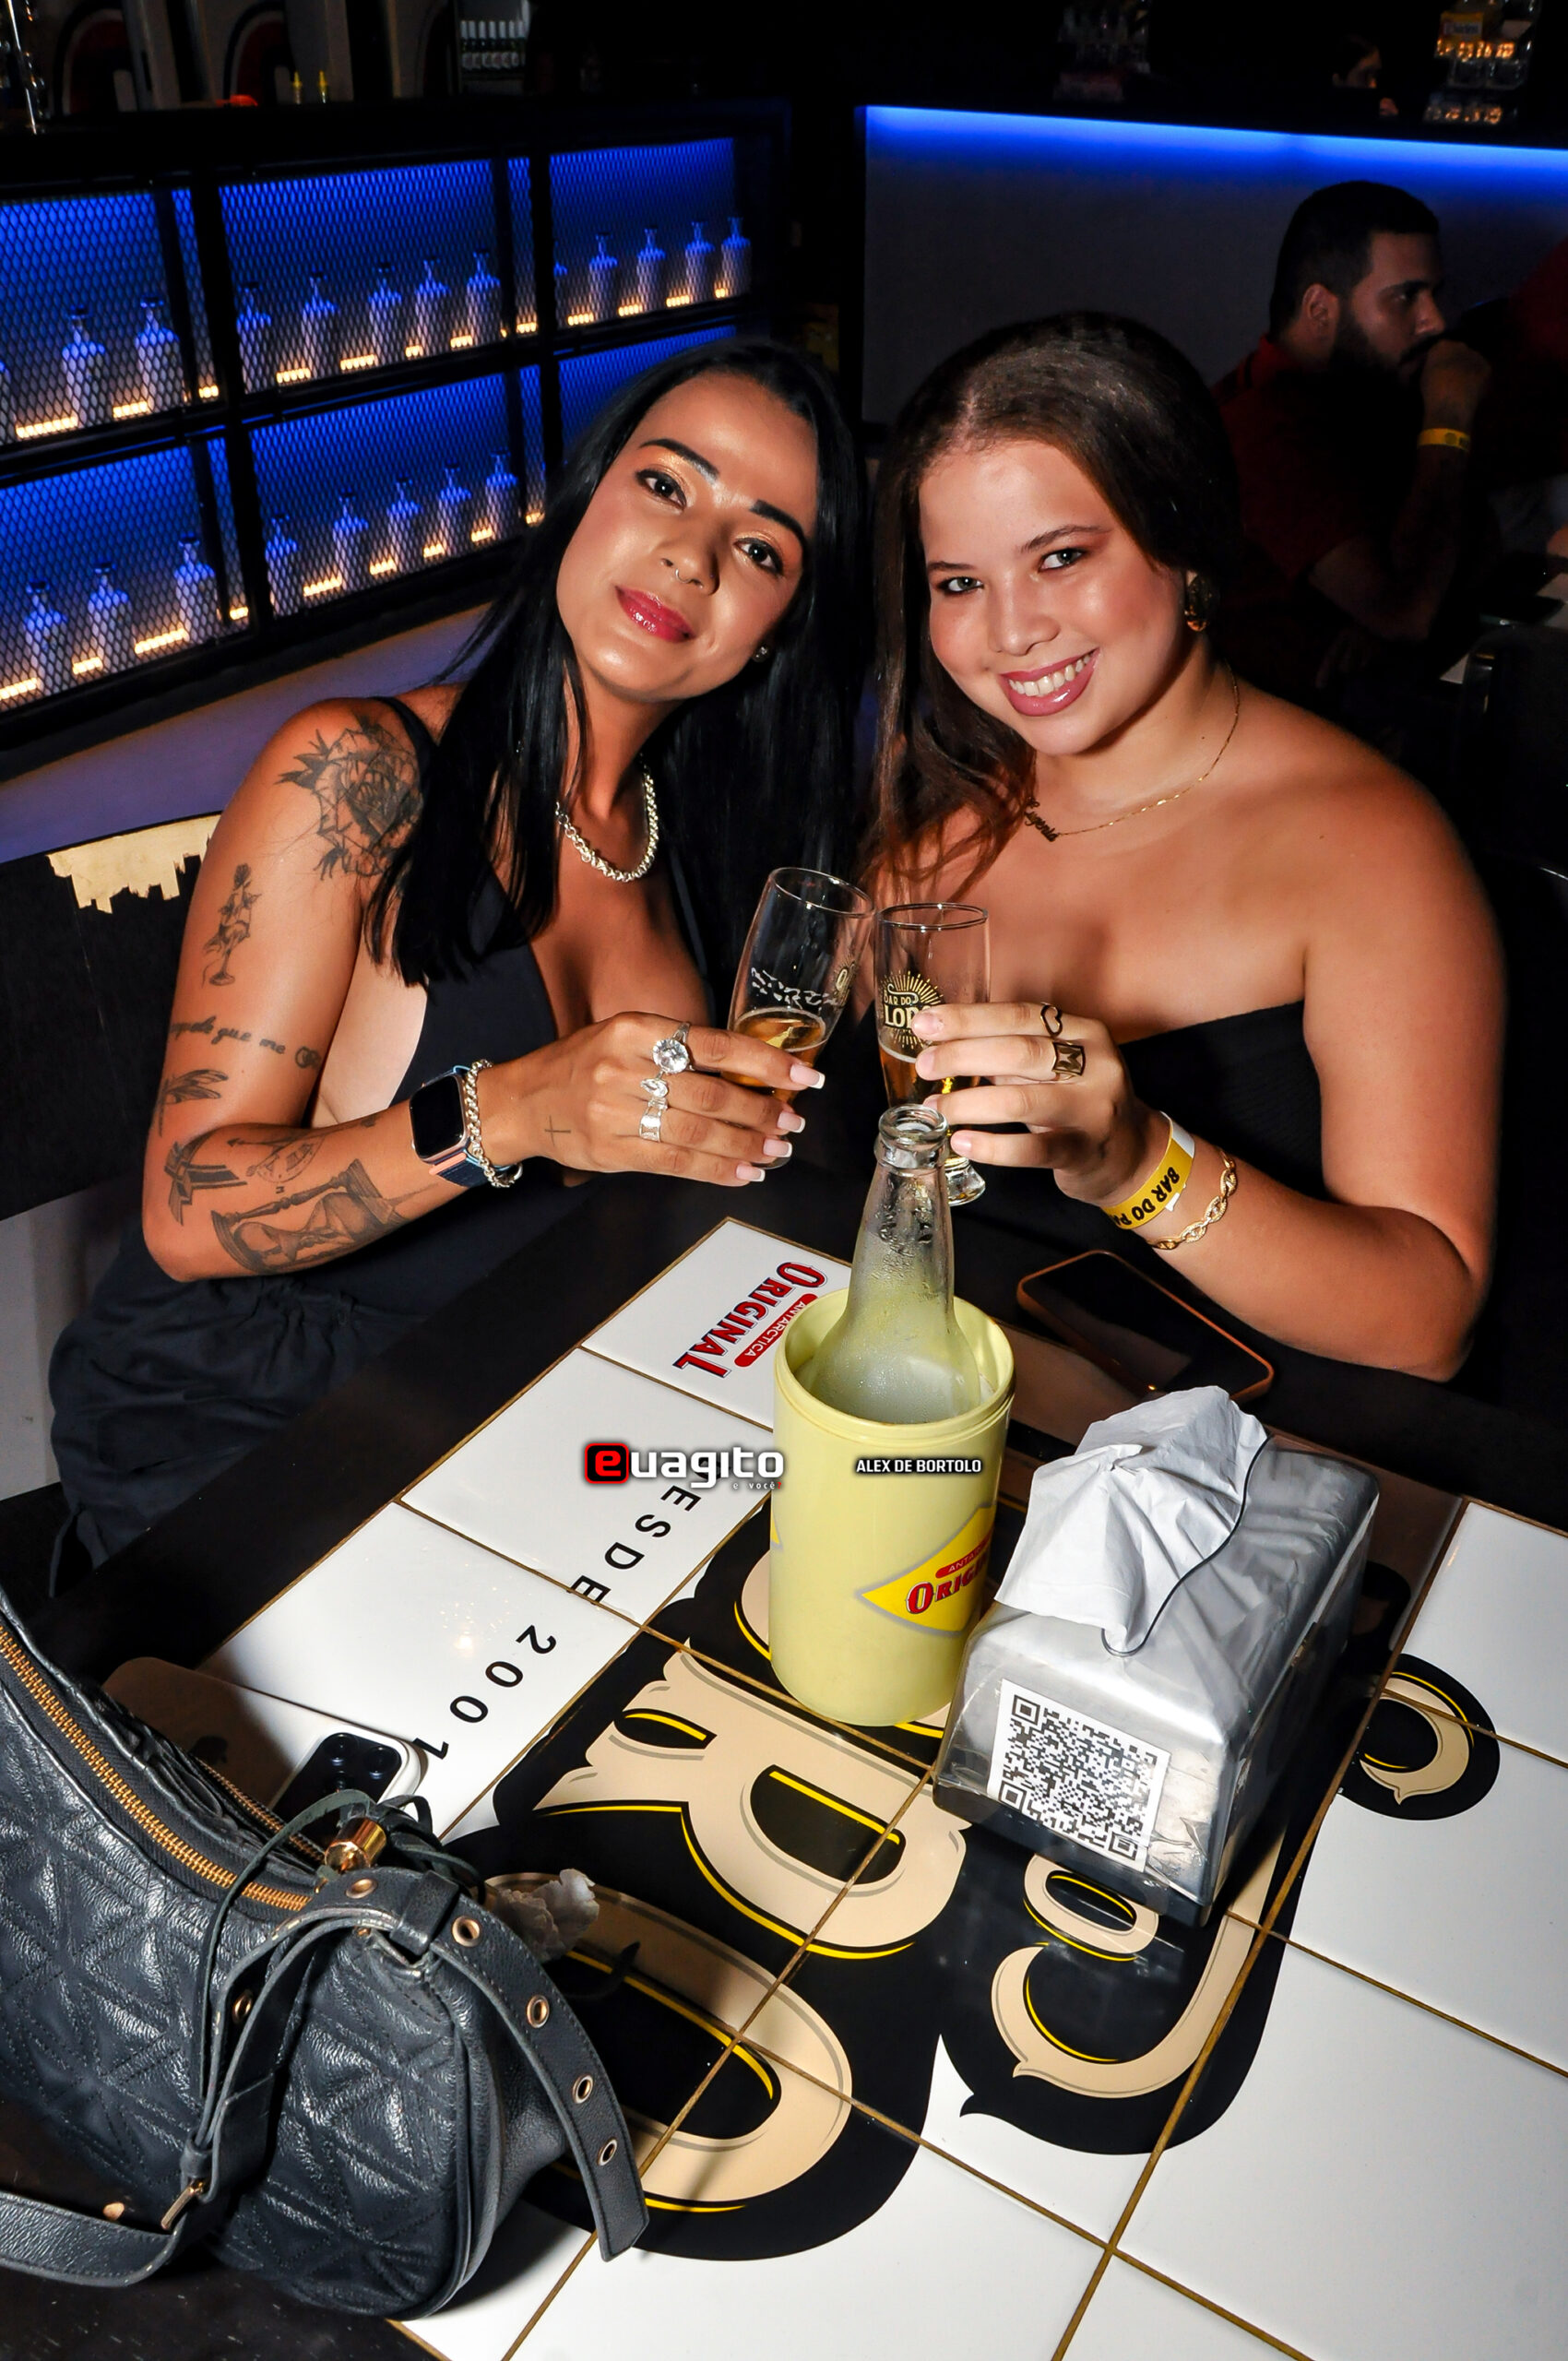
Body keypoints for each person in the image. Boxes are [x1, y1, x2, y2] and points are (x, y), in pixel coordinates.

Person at [51, 338, 866, 1565]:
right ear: (583, 496)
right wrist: (516, 1108)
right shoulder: (359, 776)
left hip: (512, 1401)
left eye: (761, 550)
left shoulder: (709, 853)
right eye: (664, 484)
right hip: (253, 1420)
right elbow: (186, 1213)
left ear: (777, 627)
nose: (691, 557)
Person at [862, 312, 1502, 1379]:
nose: (1010, 631)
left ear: (1187, 546)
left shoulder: (1369, 845)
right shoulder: (924, 849)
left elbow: (1428, 1319)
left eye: (1060, 557)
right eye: (958, 582)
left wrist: (1135, 1162)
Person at [1212, 181, 1491, 702]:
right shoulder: (1264, 427)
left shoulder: (1373, 387)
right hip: (1283, 716)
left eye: (1435, 294)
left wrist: (1379, 621)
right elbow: (1408, 614)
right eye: (1405, 297)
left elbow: (1471, 552)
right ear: (1320, 310)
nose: (1435, 321)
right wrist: (1449, 417)